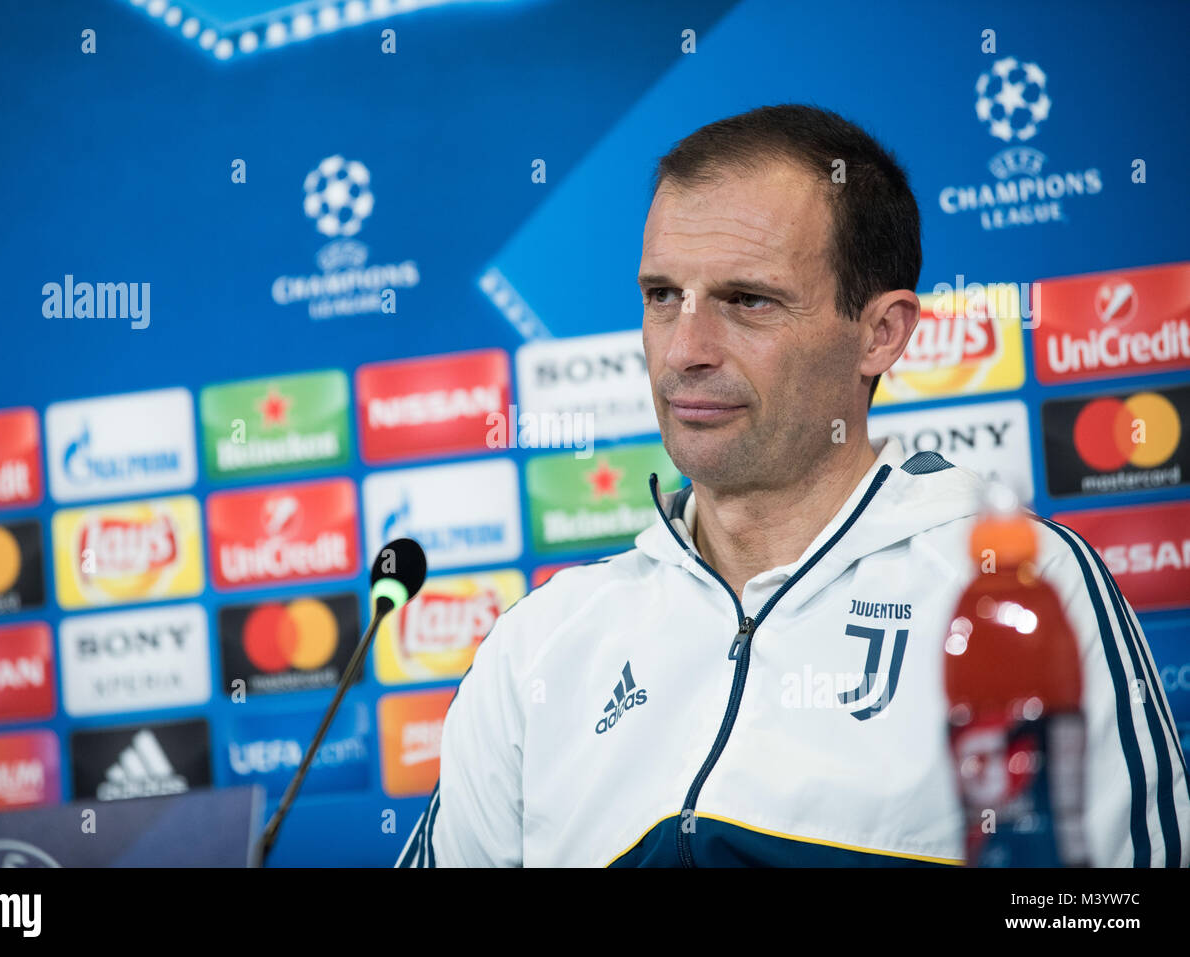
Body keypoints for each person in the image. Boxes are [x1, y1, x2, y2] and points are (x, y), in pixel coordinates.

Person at [395, 104, 1190, 867]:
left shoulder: (1019, 588)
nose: (685, 350)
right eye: (663, 296)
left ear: (881, 334)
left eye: (748, 301)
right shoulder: (541, 642)